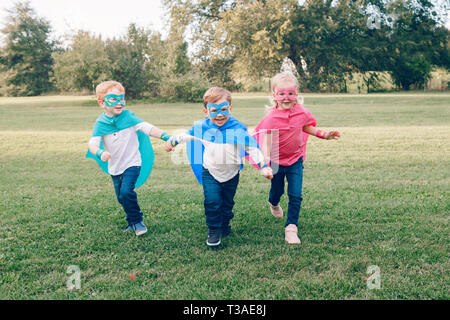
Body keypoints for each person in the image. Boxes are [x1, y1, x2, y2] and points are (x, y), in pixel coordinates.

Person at [165, 87, 273, 247]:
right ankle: (214, 230)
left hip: (232, 173)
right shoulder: (202, 127)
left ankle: (225, 224)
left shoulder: (237, 128)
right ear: (206, 111)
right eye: (214, 110)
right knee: (212, 200)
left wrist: (263, 166)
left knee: (227, 203)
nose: (220, 115)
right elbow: (186, 135)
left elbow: (252, 148)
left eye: (224, 109)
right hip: (210, 172)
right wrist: (172, 141)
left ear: (230, 108)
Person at [253, 72, 340, 244]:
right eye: (282, 93)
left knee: (296, 194)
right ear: (274, 95)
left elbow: (308, 128)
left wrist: (324, 135)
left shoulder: (302, 113)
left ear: (296, 93)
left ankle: (291, 228)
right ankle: (273, 203)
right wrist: (265, 165)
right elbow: (266, 144)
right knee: (277, 191)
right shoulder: (271, 118)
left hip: (295, 160)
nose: (286, 98)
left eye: (290, 93)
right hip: (276, 161)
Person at [87, 81, 172, 236]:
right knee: (121, 197)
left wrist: (166, 137)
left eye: (121, 98)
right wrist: (100, 153)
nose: (119, 102)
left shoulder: (129, 118)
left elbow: (148, 128)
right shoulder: (101, 123)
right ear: (102, 103)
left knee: (126, 192)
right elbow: (92, 143)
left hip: (132, 163)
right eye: (113, 99)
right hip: (115, 167)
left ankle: (138, 221)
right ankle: (131, 221)